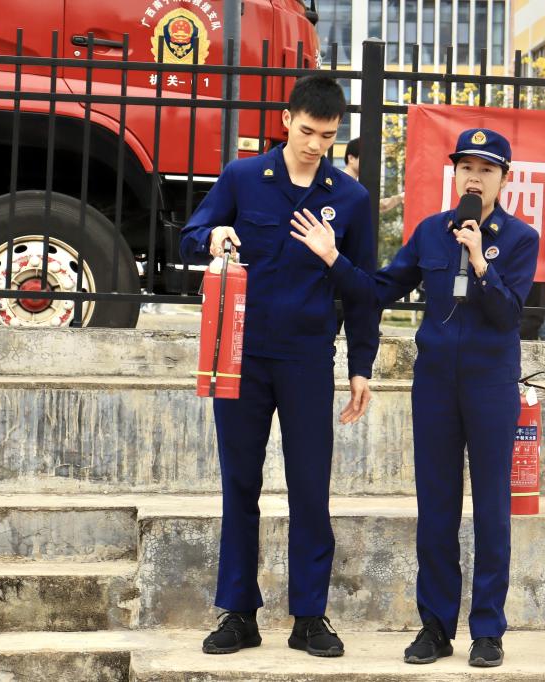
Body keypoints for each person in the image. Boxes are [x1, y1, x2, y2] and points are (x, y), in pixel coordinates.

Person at [291, 128, 539, 668]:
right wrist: (334, 259)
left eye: (486, 170)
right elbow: (379, 290)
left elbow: (509, 316)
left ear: (504, 178)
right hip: (435, 387)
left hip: (491, 386)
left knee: (491, 511)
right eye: (466, 167)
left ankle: (488, 631)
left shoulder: (520, 238)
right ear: (455, 173)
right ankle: (435, 627)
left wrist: (480, 260)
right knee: (436, 509)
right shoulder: (430, 232)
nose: (474, 178)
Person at [179, 75, 378, 658]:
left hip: (308, 360)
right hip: (239, 355)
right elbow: (190, 236)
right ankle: (238, 613)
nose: (316, 145)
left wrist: (361, 365)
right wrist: (212, 236)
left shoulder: (350, 199)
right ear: (287, 120)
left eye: (328, 136)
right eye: (308, 131)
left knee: (310, 489)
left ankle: (310, 617)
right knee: (239, 484)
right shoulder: (243, 178)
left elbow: (364, 293)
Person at [342, 137, 404, 212]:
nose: (370, 163)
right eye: (366, 158)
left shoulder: (350, 184)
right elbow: (377, 205)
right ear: (351, 158)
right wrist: (400, 197)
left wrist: (400, 197)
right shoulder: (342, 184)